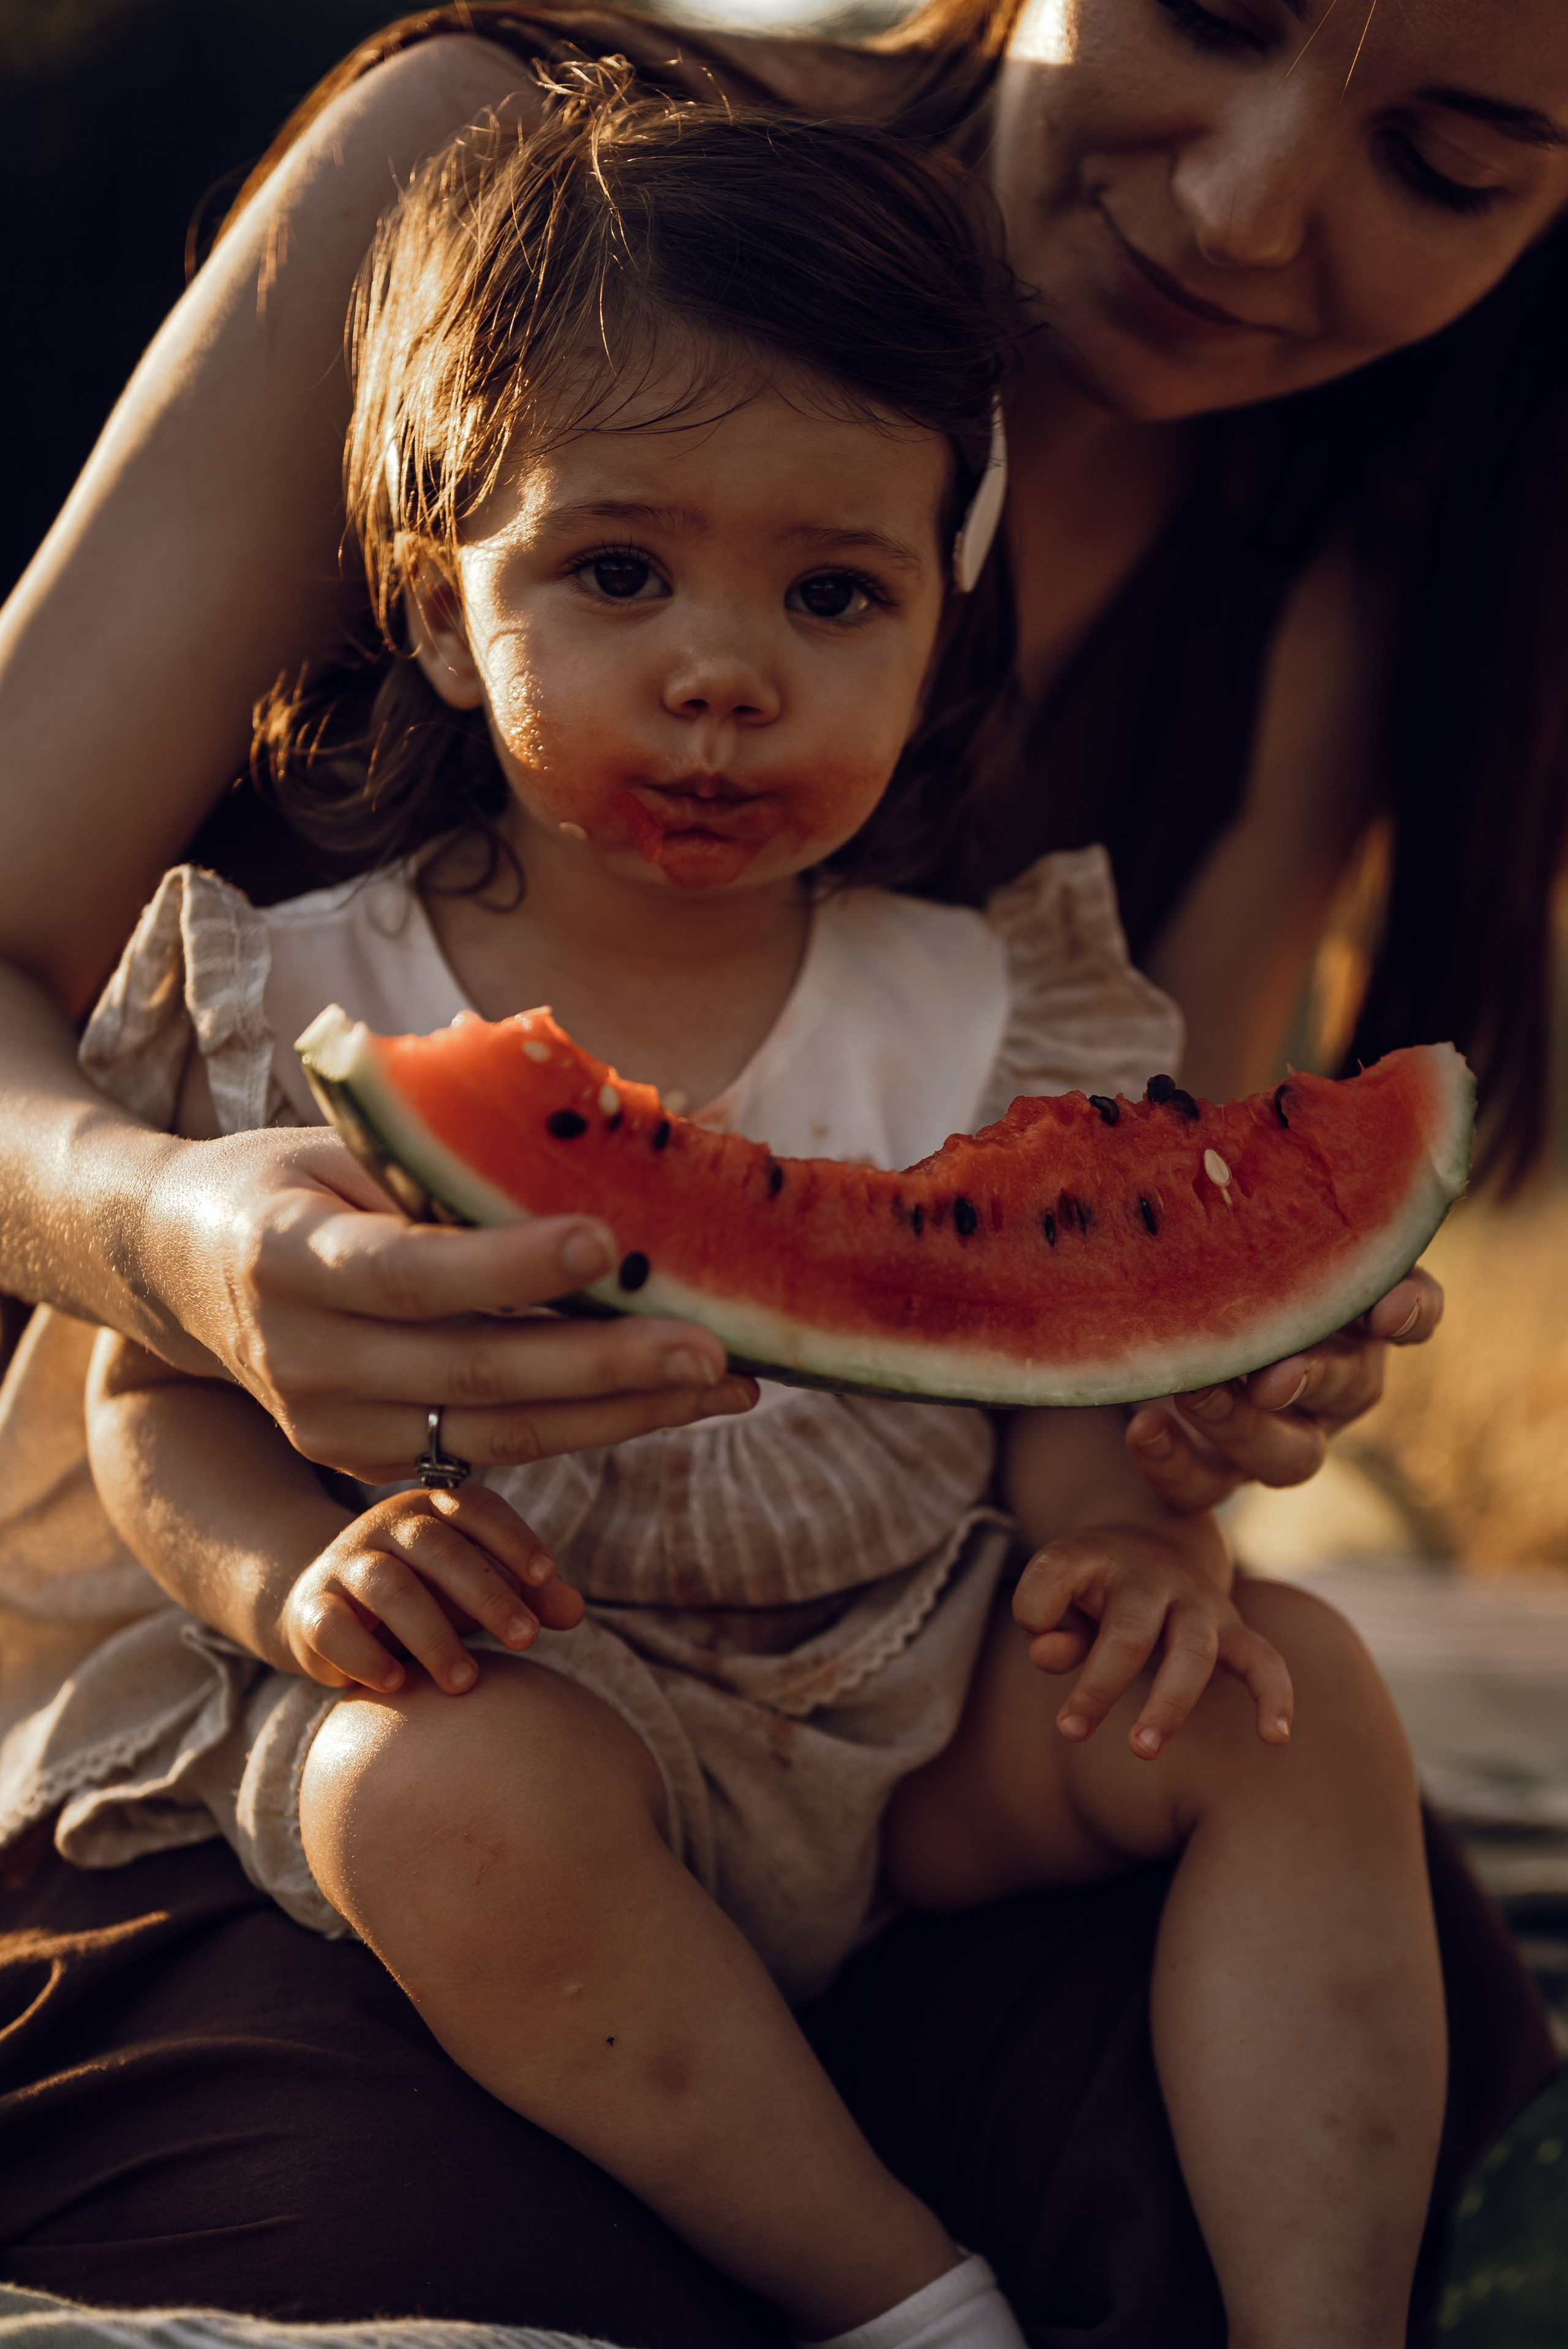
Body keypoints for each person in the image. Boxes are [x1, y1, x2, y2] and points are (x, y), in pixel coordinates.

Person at [0, 1, 1558, 2338]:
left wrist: (1175, 1456)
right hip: (429, 1695)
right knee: (457, 2242)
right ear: (442, 595)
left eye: (1452, 157)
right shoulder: (504, 201)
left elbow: (1098, 1280)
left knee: (1324, 2025)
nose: (1247, 206)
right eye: (1214, 10)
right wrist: (180, 1246)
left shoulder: (1317, 575)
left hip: (907, 1711)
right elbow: (154, 1388)